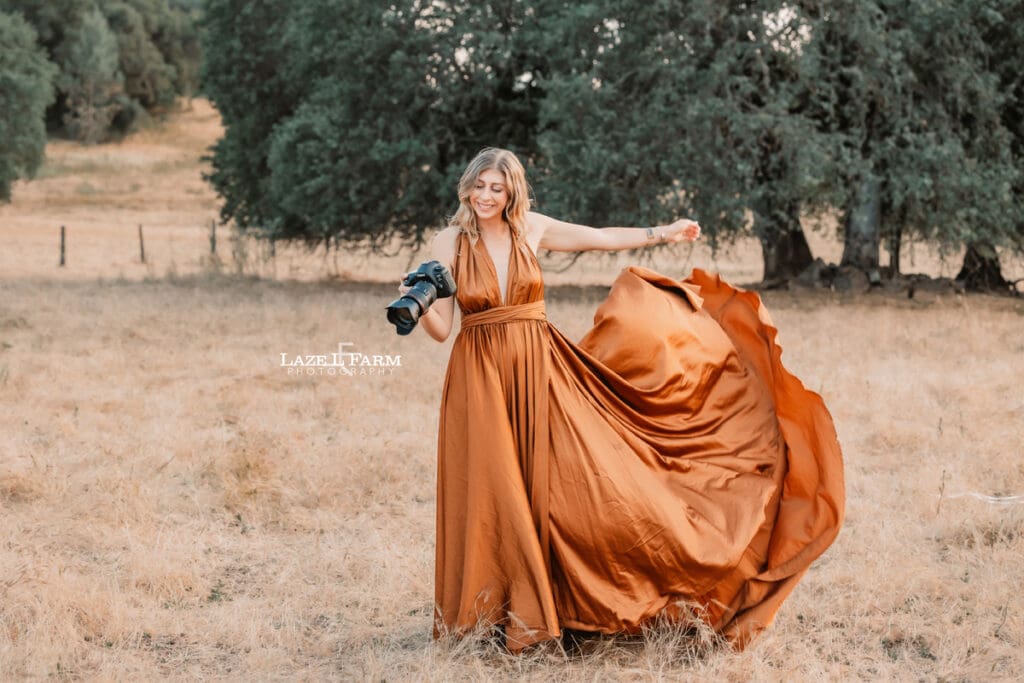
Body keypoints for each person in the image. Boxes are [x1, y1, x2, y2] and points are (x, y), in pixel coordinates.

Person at [397, 147, 844, 653]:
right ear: (467, 186)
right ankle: (492, 616)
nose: (485, 196)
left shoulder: (532, 229)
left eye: (497, 188)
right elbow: (441, 330)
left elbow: (601, 239)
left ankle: (562, 606)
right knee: (491, 489)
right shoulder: (449, 240)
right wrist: (416, 305)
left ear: (512, 192)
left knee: (564, 487)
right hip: (479, 373)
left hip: (538, 366)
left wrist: (663, 232)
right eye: (479, 186)